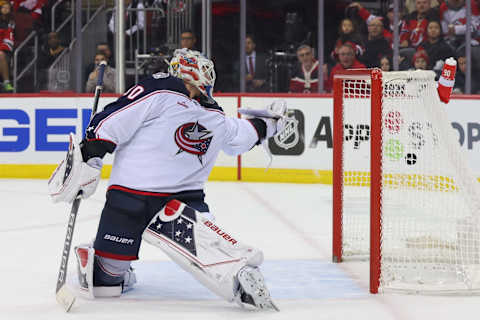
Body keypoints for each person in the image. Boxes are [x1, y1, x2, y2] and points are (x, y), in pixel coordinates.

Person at [48, 49, 284, 310]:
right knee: (105, 286)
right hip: (129, 198)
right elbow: (114, 119)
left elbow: (244, 134)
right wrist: (90, 157)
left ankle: (239, 277)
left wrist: (270, 124)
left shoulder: (215, 117)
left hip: (183, 201)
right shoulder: (161, 90)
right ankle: (91, 261)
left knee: (208, 247)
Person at [0, 1, 14, 92]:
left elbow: (9, 42)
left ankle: (6, 82)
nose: (5, 10)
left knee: (0, 54)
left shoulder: (10, 23)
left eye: (8, 8)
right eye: (3, 7)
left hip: (4, 52)